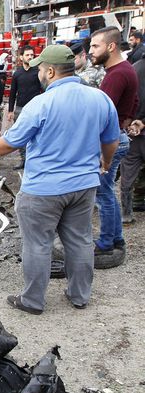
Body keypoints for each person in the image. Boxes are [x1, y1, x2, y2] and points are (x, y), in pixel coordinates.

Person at [0, 44, 119, 314]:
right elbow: (111, 139)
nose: (38, 71)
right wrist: (106, 162)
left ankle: (33, 301)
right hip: (84, 185)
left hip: (43, 189)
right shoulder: (100, 98)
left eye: (40, 68)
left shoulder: (40, 104)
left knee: (38, 243)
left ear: (50, 71)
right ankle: (79, 296)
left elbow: (10, 143)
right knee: (80, 240)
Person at [90, 26, 139, 255]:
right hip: (119, 136)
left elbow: (101, 115)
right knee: (107, 191)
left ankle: (107, 242)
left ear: (110, 46)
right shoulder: (125, 70)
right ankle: (116, 238)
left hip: (111, 141)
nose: (91, 51)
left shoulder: (117, 74)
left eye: (95, 46)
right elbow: (134, 103)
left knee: (103, 194)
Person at [7, 46, 42, 170]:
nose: (30, 57)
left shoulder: (38, 72)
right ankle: (23, 160)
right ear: (21, 57)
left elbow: (43, 90)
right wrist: (11, 110)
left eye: (32, 55)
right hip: (20, 109)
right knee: (21, 135)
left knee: (36, 136)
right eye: (27, 55)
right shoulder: (17, 74)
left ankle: (34, 161)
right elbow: (12, 93)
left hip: (36, 109)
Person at [122, 57, 145, 224]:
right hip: (136, 131)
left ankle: (126, 213)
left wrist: (130, 120)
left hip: (132, 131)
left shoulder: (132, 69)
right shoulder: (133, 69)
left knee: (127, 176)